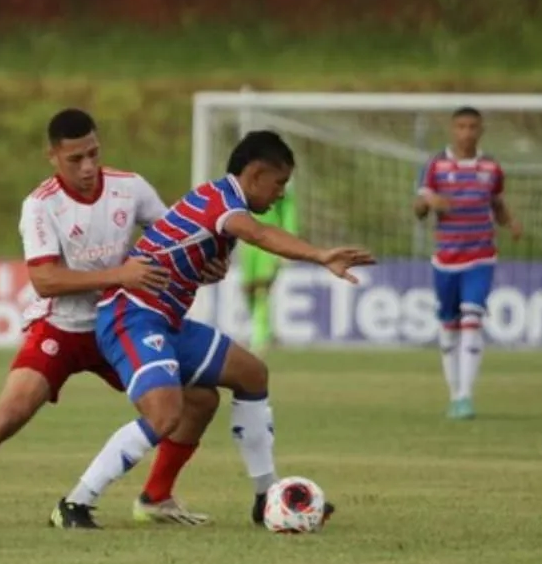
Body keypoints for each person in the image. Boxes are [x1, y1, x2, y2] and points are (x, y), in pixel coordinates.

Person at [0, 109, 224, 526]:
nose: (88, 167)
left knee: (200, 398)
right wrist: (121, 275)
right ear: (52, 157)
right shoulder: (41, 206)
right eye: (75, 159)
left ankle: (157, 498)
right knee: (9, 414)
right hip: (61, 328)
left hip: (119, 325)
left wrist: (204, 263)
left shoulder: (130, 188)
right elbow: (45, 280)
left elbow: (174, 241)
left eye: (93, 154)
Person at [49, 130, 374, 529]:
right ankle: (74, 504)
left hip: (164, 320)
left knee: (249, 375)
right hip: (129, 315)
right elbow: (260, 234)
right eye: (279, 183)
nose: (280, 194)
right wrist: (320, 255)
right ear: (254, 175)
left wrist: (200, 271)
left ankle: (259, 497)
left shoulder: (218, 199)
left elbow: (182, 257)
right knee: (165, 413)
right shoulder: (224, 204)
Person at [413, 106, 522, 420]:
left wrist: (510, 222)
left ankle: (464, 397)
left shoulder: (490, 167)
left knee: (472, 318)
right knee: (449, 326)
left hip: (481, 255)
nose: (466, 132)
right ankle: (453, 393)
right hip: (446, 258)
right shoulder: (435, 165)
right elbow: (418, 210)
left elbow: (497, 203)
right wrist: (428, 202)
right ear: (452, 129)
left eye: (473, 126)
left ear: (481, 130)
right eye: (461, 126)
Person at [239, 183, 298, 354]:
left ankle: (260, 337)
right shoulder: (244, 176)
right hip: (247, 242)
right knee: (248, 289)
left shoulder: (281, 181)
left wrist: (289, 242)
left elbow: (289, 210)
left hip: (270, 238)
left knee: (262, 288)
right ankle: (262, 330)